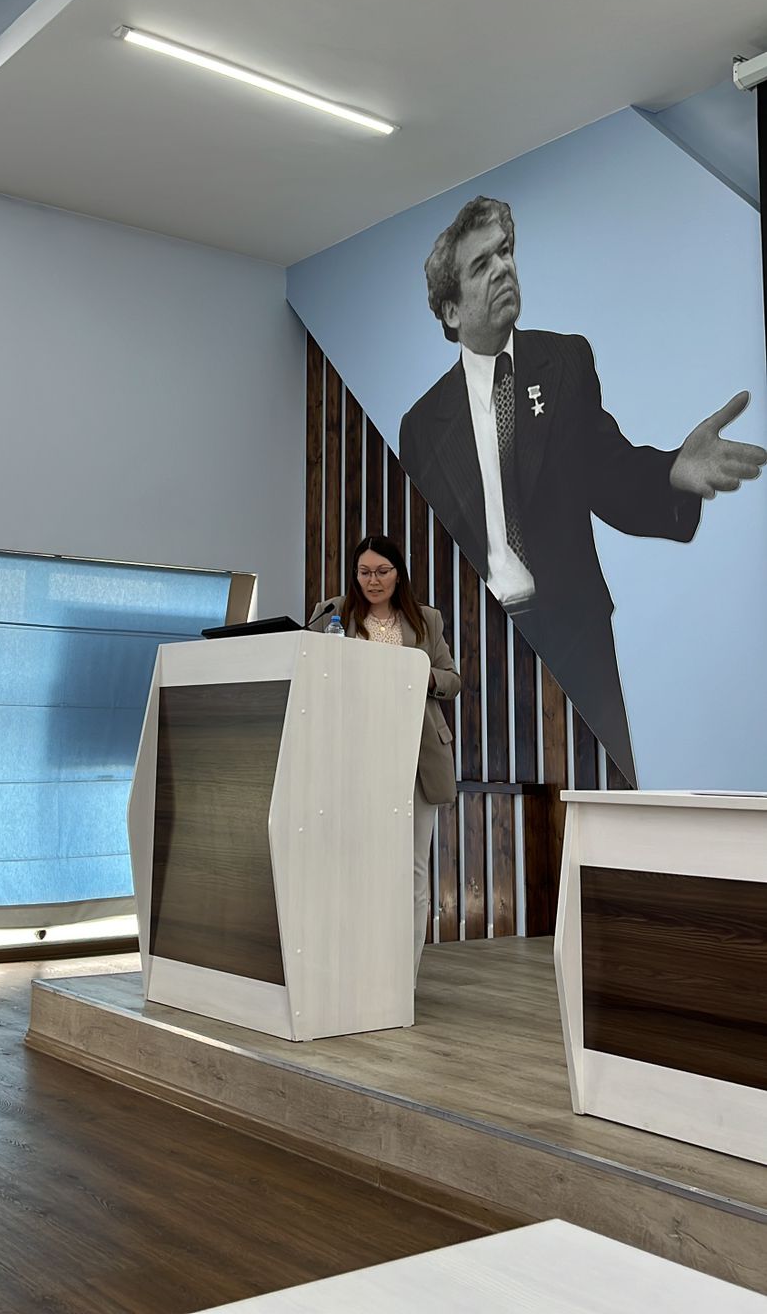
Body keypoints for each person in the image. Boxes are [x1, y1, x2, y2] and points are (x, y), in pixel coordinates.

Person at [399, 195, 766, 786]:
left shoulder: (565, 361)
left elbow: (606, 470)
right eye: (482, 265)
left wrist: (672, 470)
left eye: (506, 252)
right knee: (491, 802)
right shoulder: (422, 426)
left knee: (603, 798)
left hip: (574, 634)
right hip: (478, 648)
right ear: (450, 310)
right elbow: (425, 556)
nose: (503, 269)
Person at [308, 535, 460, 987]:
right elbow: (308, 666)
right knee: (354, 864)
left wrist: (420, 673)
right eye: (364, 572)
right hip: (355, 755)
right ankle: (356, 972)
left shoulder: (426, 619)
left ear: (398, 573)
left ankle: (401, 980)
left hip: (416, 754)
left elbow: (452, 680)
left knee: (412, 869)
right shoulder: (333, 613)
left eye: (382, 571)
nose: (373, 581)